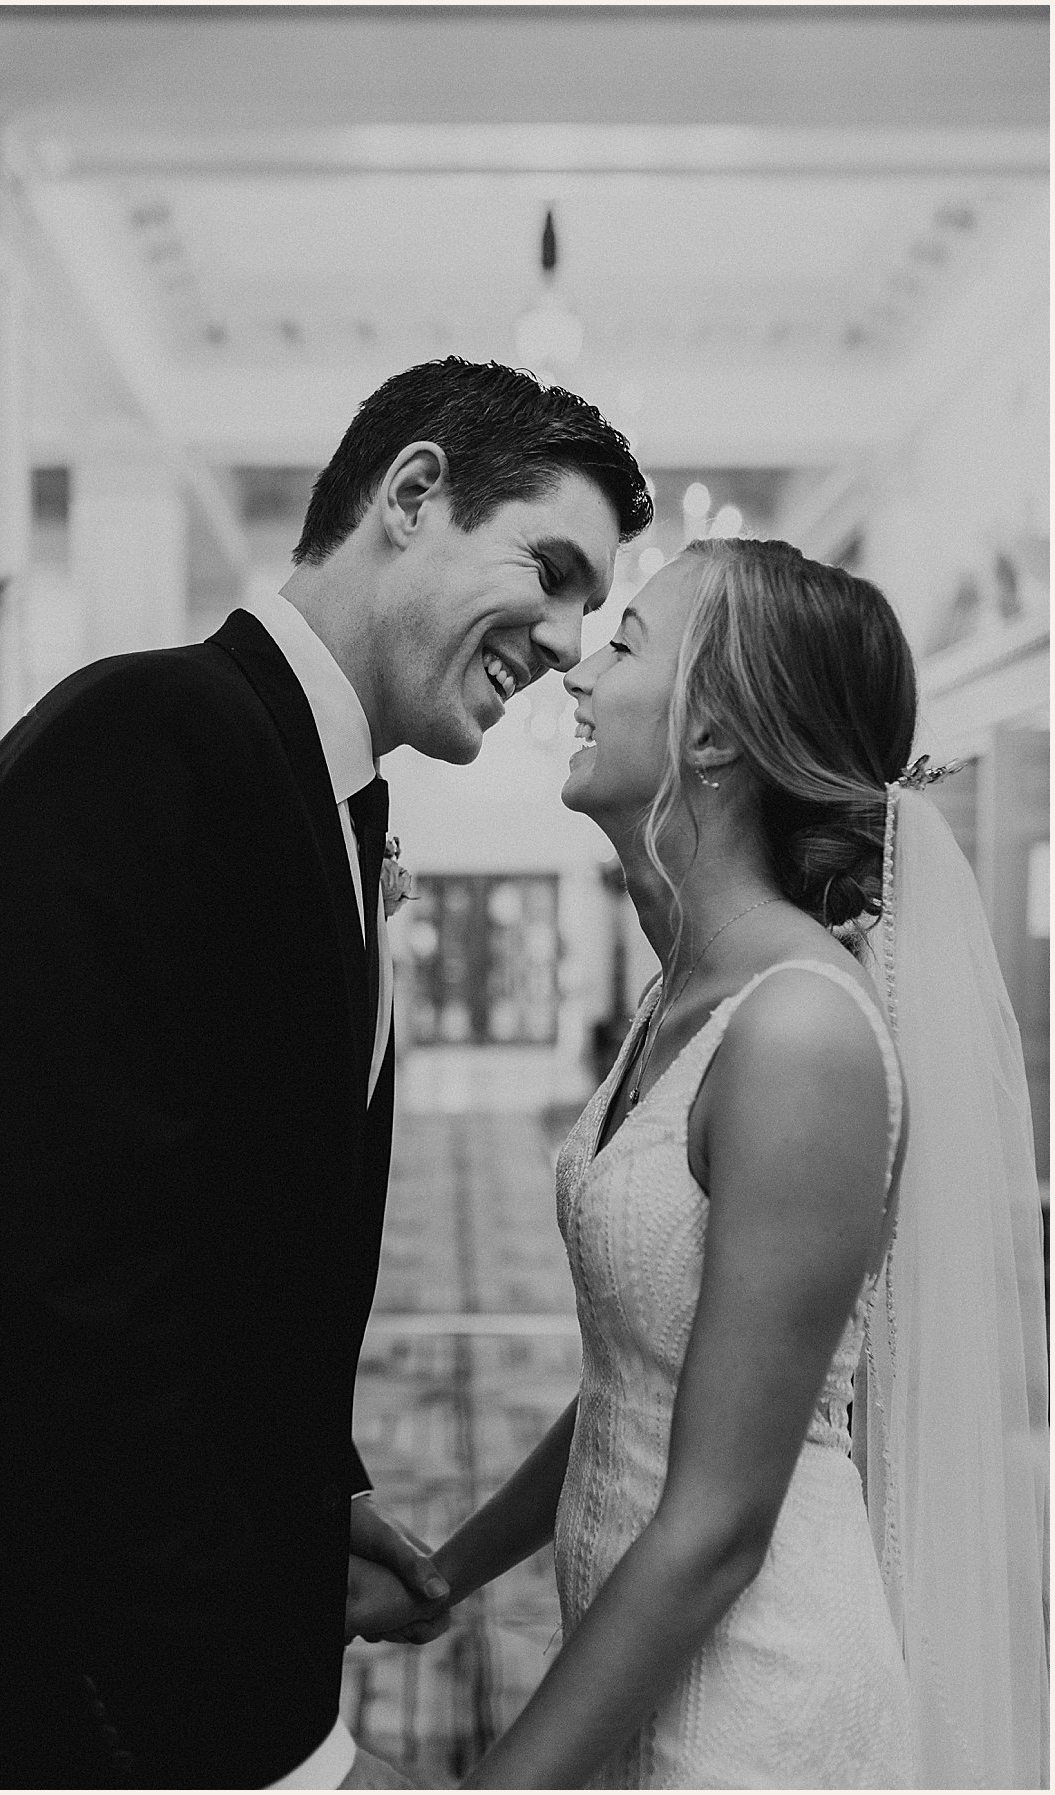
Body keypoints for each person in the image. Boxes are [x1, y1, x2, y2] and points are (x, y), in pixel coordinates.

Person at [0, 358, 652, 1789]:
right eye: (552, 568)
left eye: (593, 609)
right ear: (412, 495)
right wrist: (271, 1743)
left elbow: (224, 1250)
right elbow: (61, 1304)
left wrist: (314, 1489)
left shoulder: (312, 791)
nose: (563, 639)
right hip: (63, 1694)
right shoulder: (140, 743)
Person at [362, 537, 1046, 1786]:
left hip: (754, 1704)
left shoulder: (798, 1030)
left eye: (623, 646)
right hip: (642, 1646)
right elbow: (653, 1366)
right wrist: (453, 1565)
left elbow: (725, 1522)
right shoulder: (688, 986)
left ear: (715, 741)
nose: (574, 672)